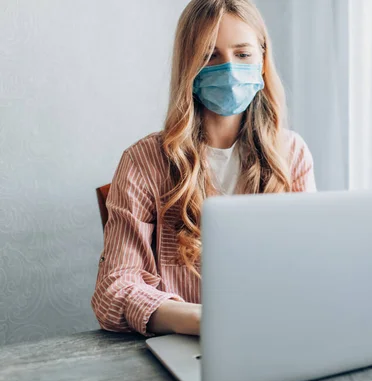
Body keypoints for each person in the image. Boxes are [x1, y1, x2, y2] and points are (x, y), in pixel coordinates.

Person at [91, 0, 316, 337]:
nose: (228, 70)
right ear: (189, 67)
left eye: (242, 55)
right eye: (210, 55)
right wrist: (203, 321)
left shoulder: (292, 154)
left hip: (275, 335)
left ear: (262, 60)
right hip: (188, 344)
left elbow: (311, 266)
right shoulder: (143, 162)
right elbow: (113, 290)